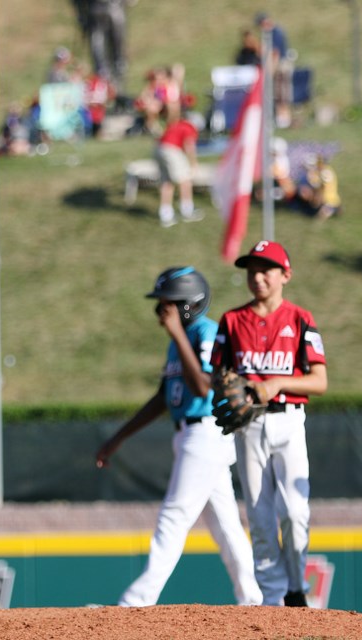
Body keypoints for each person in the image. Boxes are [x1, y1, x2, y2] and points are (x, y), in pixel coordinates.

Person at [96, 267, 262, 607]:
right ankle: (254, 598)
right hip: (191, 435)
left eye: (166, 305)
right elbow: (161, 398)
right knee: (226, 525)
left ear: (187, 304)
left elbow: (203, 385)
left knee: (174, 517)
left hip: (205, 432)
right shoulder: (181, 340)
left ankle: (136, 602)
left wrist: (176, 333)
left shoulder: (205, 331)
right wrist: (118, 439)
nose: (160, 312)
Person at [210, 240, 328, 607]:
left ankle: (296, 589)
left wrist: (276, 383)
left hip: (289, 422)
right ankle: (274, 600)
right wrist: (231, 390)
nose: (257, 277)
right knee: (260, 519)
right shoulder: (231, 321)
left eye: (266, 270)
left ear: (285, 275)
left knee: (295, 512)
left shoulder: (300, 318)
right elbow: (217, 374)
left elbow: (320, 381)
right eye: (251, 270)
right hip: (250, 427)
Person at [153, 116, 203, 227]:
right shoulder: (189, 128)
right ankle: (187, 211)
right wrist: (193, 163)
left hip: (158, 149)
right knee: (185, 181)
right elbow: (189, 145)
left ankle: (166, 215)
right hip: (171, 149)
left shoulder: (177, 123)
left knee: (166, 182)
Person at [255, 12, 293, 128]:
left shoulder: (275, 33)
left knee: (281, 93)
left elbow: (275, 53)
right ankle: (281, 119)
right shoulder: (276, 31)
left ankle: (284, 120)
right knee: (279, 93)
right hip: (279, 65)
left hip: (280, 66)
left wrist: (270, 71)